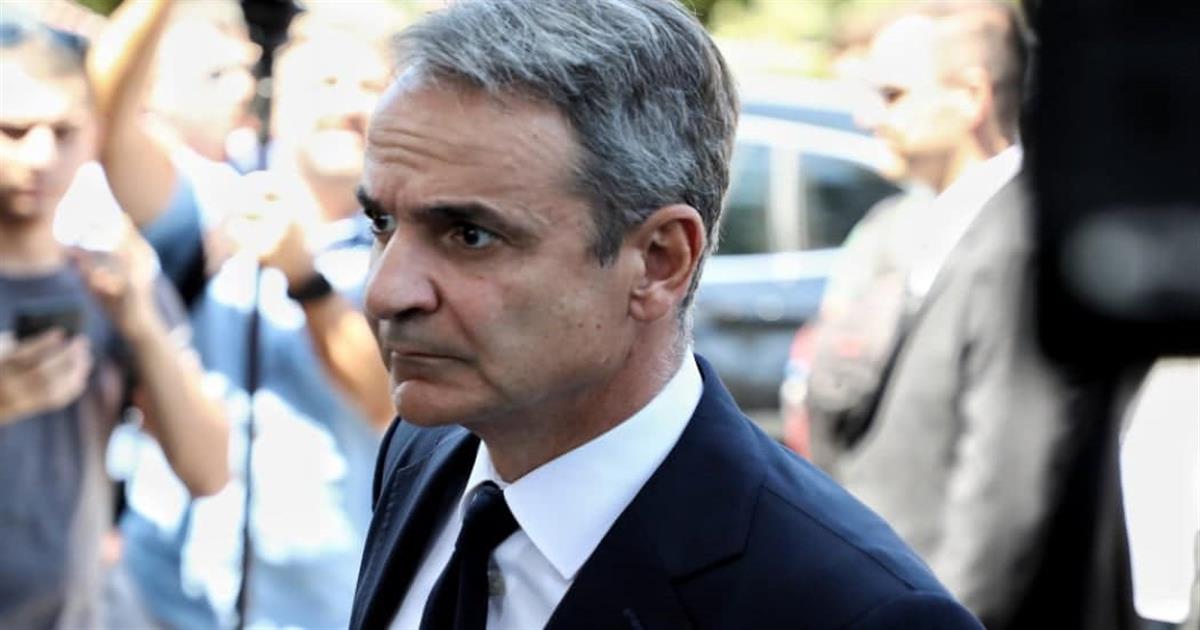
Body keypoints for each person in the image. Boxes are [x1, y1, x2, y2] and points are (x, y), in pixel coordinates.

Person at [349, 1, 982, 628]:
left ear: (659, 261)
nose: (385, 292)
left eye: (470, 235)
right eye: (381, 222)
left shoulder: (857, 611)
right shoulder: (429, 450)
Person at [804, 3, 1142, 628]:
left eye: (893, 94)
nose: (868, 116)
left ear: (970, 97)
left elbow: (1003, 496)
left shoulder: (1021, 241)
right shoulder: (933, 223)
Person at [87, 1, 396, 626]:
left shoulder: (404, 241)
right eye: (328, 81)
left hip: (319, 604)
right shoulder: (213, 196)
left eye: (371, 87)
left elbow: (389, 401)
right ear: (275, 97)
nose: (349, 105)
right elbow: (105, 116)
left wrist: (304, 278)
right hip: (163, 595)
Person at [0, 16, 228, 628]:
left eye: (64, 131)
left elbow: (208, 470)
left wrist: (143, 327)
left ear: (94, 135)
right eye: (13, 131)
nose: (41, 156)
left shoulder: (110, 275)